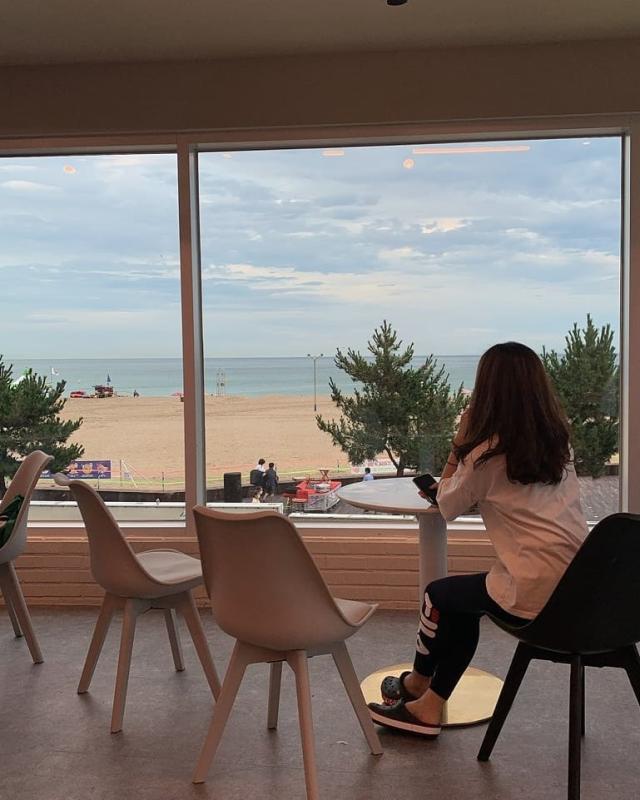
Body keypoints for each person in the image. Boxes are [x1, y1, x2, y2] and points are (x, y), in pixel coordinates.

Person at [368, 341, 588, 738]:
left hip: (532, 594)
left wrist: (462, 440)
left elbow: (447, 504)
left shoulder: (487, 454)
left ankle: (419, 688)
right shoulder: (559, 446)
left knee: (438, 595)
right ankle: (426, 699)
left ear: (488, 392)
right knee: (460, 603)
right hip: (584, 592)